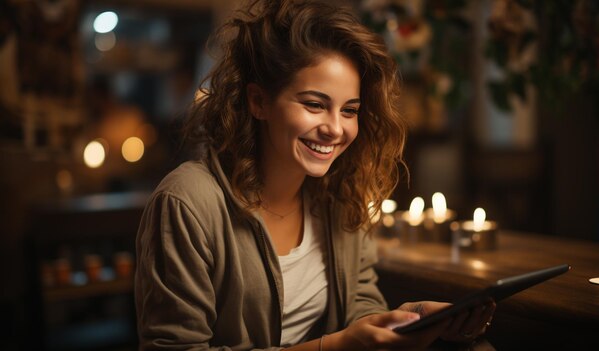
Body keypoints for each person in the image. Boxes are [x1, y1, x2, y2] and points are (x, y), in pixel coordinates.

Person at [134, 0, 496, 349]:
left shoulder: (340, 195)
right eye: (314, 105)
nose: (335, 129)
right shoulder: (188, 202)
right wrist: (334, 347)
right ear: (258, 101)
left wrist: (410, 318)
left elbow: (360, 309)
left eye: (349, 110)